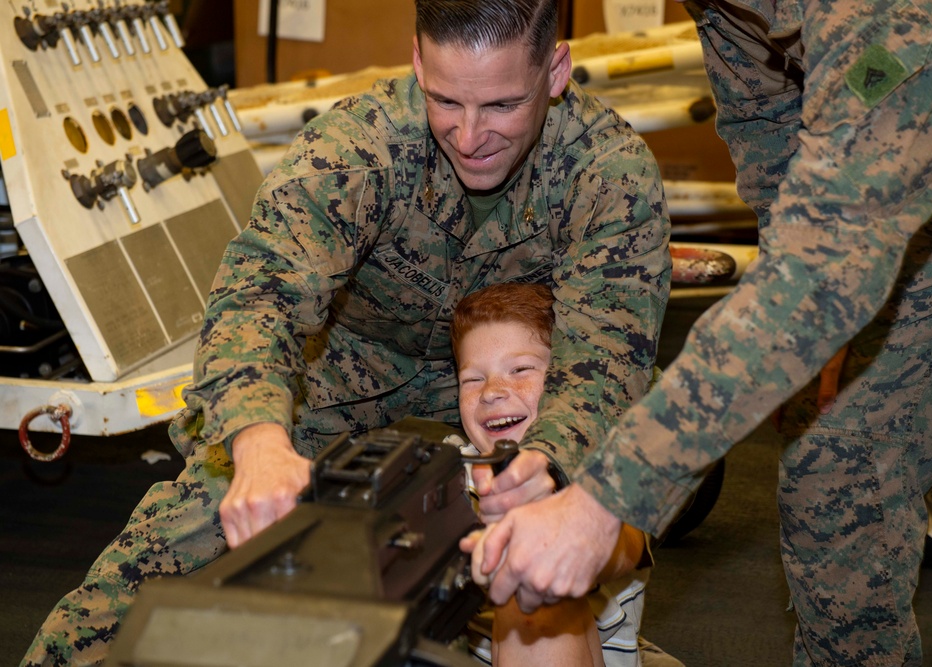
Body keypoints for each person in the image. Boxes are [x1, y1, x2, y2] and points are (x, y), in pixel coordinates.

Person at [20, 0, 670, 664]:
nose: (469, 134)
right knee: (178, 540)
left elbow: (606, 361)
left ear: (555, 71)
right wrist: (260, 440)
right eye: (445, 100)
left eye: (501, 105)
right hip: (343, 381)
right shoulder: (359, 147)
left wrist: (550, 465)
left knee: (557, 542)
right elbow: (258, 293)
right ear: (417, 61)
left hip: (508, 392)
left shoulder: (609, 173)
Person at [468, 1, 932, 665]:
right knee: (836, 471)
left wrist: (604, 499)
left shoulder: (892, 11)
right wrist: (808, 323)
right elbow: (768, 118)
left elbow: (827, 261)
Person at [449, 282, 659, 667]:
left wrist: (561, 535)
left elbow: (627, 544)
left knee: (533, 594)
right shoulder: (447, 468)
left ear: (567, 383)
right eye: (472, 379)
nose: (492, 391)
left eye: (520, 369)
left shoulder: (601, 468)